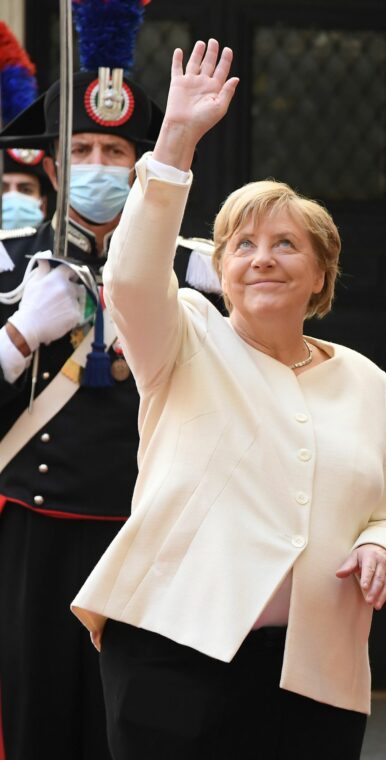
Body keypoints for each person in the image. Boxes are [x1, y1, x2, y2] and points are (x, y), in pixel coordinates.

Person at [67, 40, 386, 758]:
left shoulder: (364, 379)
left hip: (313, 670)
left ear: (321, 274)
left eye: (286, 244)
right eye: (243, 245)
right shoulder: (186, 336)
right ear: (220, 270)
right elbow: (131, 277)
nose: (263, 257)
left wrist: (385, 545)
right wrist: (176, 142)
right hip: (173, 649)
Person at [0, 58, 224, 760]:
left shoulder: (203, 271)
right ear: (58, 168)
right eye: (83, 151)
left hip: (149, 532)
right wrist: (17, 336)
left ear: (139, 166)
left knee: (135, 729)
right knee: (32, 718)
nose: (99, 164)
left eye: (116, 151)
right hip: (31, 532)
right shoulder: (7, 267)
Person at [1, 148, 50, 230]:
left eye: (26, 190)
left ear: (43, 206)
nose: (13, 196)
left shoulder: (55, 242)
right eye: (1, 189)